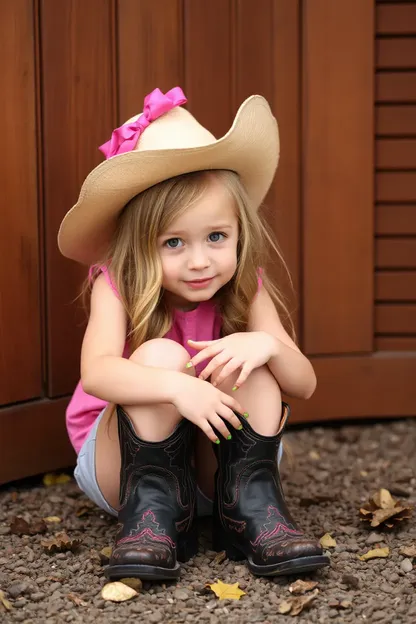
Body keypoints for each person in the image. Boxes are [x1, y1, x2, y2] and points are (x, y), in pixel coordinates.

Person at [58, 87, 329, 582]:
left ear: (239, 232)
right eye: (174, 242)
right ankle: (152, 520)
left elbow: (304, 384)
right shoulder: (115, 281)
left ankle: (250, 512)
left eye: (216, 237)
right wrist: (179, 386)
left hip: (220, 470)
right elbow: (97, 373)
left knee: (249, 357)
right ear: (139, 245)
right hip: (124, 469)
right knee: (161, 355)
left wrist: (266, 344)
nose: (200, 260)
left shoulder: (245, 284)